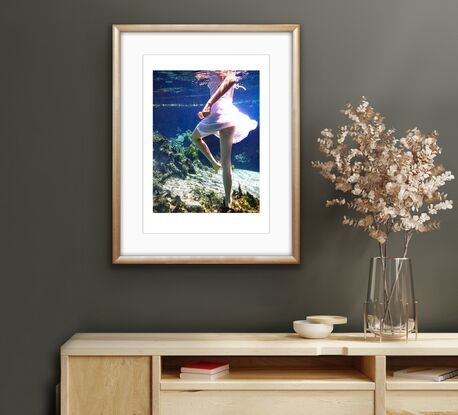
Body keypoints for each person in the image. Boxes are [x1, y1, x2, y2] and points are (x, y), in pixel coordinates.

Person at [191, 71, 257, 210]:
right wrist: (209, 106)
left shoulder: (228, 73)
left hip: (219, 116)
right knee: (225, 161)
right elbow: (228, 86)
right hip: (225, 116)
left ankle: (227, 198)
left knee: (196, 139)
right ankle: (228, 200)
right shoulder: (222, 73)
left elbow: (231, 81)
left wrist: (208, 104)